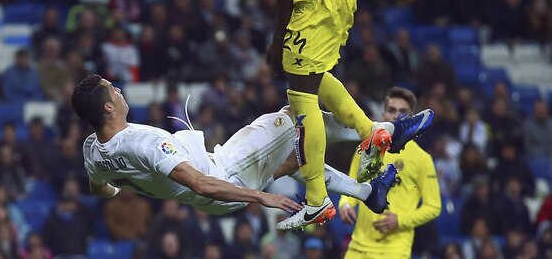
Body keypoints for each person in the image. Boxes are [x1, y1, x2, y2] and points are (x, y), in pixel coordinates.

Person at [189, 0, 434, 229]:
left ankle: (317, 200)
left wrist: (278, 36)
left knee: (300, 95)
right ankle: (376, 133)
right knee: (308, 77)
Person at [74, 74, 397, 221]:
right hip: (226, 177)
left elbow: (101, 190)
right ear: (107, 108)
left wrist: (137, 182)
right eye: (111, 90)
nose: (118, 90)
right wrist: (262, 197)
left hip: (214, 188)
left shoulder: (93, 151)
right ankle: (378, 132)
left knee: (297, 158)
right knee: (296, 112)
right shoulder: (144, 144)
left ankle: (367, 193)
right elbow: (200, 182)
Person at [339, 87, 441, 258]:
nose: (396, 116)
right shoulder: (367, 147)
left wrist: (401, 220)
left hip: (394, 250)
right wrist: (345, 205)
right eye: (392, 110)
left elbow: (434, 206)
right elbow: (351, 185)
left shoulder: (422, 159)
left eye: (403, 112)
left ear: (412, 118)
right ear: (383, 114)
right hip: (358, 247)